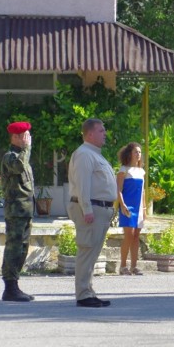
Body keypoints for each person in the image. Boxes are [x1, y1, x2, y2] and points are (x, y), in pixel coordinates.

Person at [67, 118, 117, 308]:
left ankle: (88, 290)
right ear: (89, 134)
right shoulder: (84, 154)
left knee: (92, 252)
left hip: (100, 208)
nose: (105, 133)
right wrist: (87, 209)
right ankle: (83, 294)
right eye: (101, 131)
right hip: (91, 209)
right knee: (87, 251)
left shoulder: (94, 154)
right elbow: (83, 184)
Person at [0, 122, 35, 302]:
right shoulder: (10, 157)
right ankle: (9, 287)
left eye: (28, 136)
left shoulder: (23, 157)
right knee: (13, 248)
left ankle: (15, 285)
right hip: (15, 211)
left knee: (22, 248)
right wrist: (27, 149)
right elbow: (19, 167)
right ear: (15, 137)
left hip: (25, 210)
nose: (28, 139)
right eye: (24, 136)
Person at [116, 142, 146, 276]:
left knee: (136, 236)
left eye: (139, 152)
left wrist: (144, 208)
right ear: (129, 154)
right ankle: (123, 266)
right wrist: (122, 205)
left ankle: (134, 266)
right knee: (129, 236)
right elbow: (118, 189)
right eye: (136, 152)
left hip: (139, 207)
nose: (138, 154)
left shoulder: (141, 171)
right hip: (128, 206)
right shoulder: (124, 170)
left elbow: (143, 191)